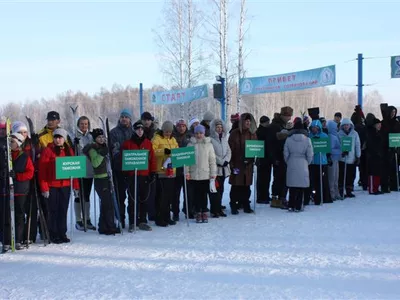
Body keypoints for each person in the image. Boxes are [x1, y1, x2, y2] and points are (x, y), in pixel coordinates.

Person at [38, 128, 79, 244]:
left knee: (63, 209)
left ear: (64, 139)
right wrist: (44, 187)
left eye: (60, 137)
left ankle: (62, 232)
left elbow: (74, 168)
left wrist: (76, 186)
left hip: (65, 185)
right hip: (52, 185)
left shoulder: (68, 150)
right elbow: (42, 171)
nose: (58, 139)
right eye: (56, 137)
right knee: (53, 210)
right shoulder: (48, 151)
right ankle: (53, 233)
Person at [83, 128, 120, 235]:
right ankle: (109, 227)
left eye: (103, 137)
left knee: (106, 204)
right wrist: (102, 154)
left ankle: (104, 226)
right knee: (107, 204)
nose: (102, 139)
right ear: (95, 139)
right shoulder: (92, 149)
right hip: (100, 179)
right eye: (99, 137)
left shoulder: (103, 147)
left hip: (107, 178)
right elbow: (95, 163)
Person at [122, 121, 157, 232]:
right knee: (132, 199)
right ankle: (132, 222)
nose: (140, 131)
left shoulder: (147, 143)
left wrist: (152, 172)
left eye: (142, 129)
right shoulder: (128, 143)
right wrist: (125, 173)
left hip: (144, 175)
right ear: (134, 130)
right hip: (133, 176)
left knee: (144, 198)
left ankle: (142, 220)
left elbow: (152, 159)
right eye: (138, 129)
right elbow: (124, 160)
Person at [186, 125, 217, 223]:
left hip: (205, 175)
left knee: (204, 195)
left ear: (204, 134)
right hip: (194, 175)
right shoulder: (190, 145)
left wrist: (213, 173)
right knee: (195, 195)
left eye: (201, 133)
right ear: (194, 134)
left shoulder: (209, 145)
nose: (199, 135)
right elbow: (186, 162)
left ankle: (204, 211)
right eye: (197, 133)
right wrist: (186, 172)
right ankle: (198, 212)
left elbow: (212, 160)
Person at [228, 113, 257, 214]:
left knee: (246, 185)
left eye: (249, 121)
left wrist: (253, 158)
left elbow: (255, 148)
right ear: (242, 122)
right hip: (236, 164)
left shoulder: (252, 133)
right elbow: (230, 149)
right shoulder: (234, 133)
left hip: (248, 165)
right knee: (236, 185)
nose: (248, 123)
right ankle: (233, 204)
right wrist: (231, 164)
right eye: (246, 121)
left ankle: (246, 204)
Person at [9, 133, 35, 249]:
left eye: (12, 142)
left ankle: (19, 238)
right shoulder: (7, 156)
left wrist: (17, 176)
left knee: (19, 215)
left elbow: (30, 173)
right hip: (8, 190)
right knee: (8, 216)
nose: (10, 144)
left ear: (18, 143)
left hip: (20, 190)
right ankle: (8, 239)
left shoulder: (24, 156)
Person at [109, 109, 133, 228]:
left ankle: (133, 219)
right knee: (120, 196)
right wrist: (121, 157)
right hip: (118, 169)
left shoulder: (134, 131)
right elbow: (113, 150)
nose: (124, 119)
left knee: (132, 196)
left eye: (126, 117)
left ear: (130, 119)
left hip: (132, 169)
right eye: (122, 117)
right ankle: (120, 219)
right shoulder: (114, 132)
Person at [152, 121, 179, 227]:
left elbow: (176, 151)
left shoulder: (173, 139)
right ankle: (160, 218)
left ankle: (167, 217)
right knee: (161, 196)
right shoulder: (157, 138)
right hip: (161, 171)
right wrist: (164, 151)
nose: (168, 133)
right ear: (162, 130)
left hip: (172, 171)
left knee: (169, 196)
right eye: (166, 131)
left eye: (170, 131)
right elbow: (152, 151)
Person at [284, 118, 313, 212]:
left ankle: (291, 205)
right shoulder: (307, 140)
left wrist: (289, 161)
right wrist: (306, 162)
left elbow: (285, 153)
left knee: (292, 186)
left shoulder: (288, 139)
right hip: (303, 162)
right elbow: (310, 154)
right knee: (301, 187)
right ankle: (298, 206)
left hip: (292, 161)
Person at [266, 106, 293, 208]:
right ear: (283, 115)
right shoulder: (275, 126)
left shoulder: (281, 125)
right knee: (280, 178)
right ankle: (278, 199)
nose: (289, 118)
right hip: (278, 156)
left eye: (290, 116)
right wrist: (273, 158)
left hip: (282, 156)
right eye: (287, 116)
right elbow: (271, 144)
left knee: (281, 178)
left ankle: (279, 198)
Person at [73, 116, 95, 231]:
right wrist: (74, 144)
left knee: (86, 195)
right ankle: (78, 219)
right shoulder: (75, 136)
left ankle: (87, 218)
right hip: (77, 169)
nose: (84, 126)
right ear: (78, 124)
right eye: (82, 124)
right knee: (78, 195)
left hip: (88, 170)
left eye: (86, 124)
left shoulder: (91, 136)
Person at [304, 120, 332, 205]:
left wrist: (328, 157)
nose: (314, 129)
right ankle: (310, 197)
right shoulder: (309, 136)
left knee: (321, 181)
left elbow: (327, 149)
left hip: (321, 162)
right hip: (312, 162)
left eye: (316, 128)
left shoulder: (324, 136)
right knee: (311, 181)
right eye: (313, 128)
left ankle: (320, 198)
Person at [209, 118, 231, 217]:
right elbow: (211, 153)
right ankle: (214, 209)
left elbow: (229, 151)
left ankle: (219, 208)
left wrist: (227, 160)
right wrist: (221, 161)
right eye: (217, 127)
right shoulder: (211, 140)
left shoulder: (224, 139)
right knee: (215, 190)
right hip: (215, 169)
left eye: (221, 127)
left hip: (224, 169)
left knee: (221, 189)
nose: (219, 129)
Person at [172, 119, 192, 220]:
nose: (181, 128)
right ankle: (175, 212)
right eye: (179, 126)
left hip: (186, 169)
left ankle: (188, 210)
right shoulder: (172, 136)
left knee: (188, 192)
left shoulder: (190, 136)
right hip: (176, 170)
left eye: (183, 126)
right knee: (175, 194)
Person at [338, 118, 361, 198]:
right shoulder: (339, 134)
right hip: (342, 159)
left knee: (351, 175)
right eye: (344, 125)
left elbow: (357, 145)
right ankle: (341, 190)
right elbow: (337, 145)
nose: (346, 126)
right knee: (341, 175)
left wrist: (358, 156)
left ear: (350, 125)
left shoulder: (355, 134)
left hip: (351, 158)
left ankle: (349, 190)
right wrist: (341, 152)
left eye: (347, 125)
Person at [256, 115, 272, 204]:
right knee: (263, 179)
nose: (269, 124)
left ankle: (264, 195)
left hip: (264, 157)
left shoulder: (261, 131)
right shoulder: (261, 132)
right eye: (267, 122)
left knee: (265, 178)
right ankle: (262, 196)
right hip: (263, 157)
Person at [366, 118, 384, 195]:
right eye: (378, 124)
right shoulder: (371, 133)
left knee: (378, 172)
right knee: (372, 173)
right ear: (374, 125)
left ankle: (376, 188)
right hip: (372, 156)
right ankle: (372, 189)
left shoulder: (379, 133)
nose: (380, 126)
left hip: (378, 156)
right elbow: (370, 145)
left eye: (380, 124)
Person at [326, 120, 341, 200]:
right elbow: (330, 150)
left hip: (335, 159)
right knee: (332, 177)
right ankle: (332, 193)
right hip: (332, 159)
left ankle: (336, 192)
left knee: (335, 177)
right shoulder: (331, 137)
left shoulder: (335, 136)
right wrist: (340, 151)